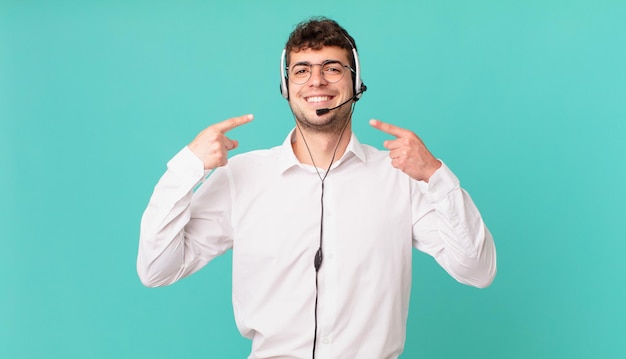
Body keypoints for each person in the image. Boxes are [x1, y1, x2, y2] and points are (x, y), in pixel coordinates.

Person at [138, 17, 496, 359]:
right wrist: (188, 166)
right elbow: (156, 269)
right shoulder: (241, 176)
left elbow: (478, 270)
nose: (317, 81)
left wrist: (435, 175)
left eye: (332, 68)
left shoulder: (401, 177)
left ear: (356, 83)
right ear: (286, 86)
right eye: (302, 70)